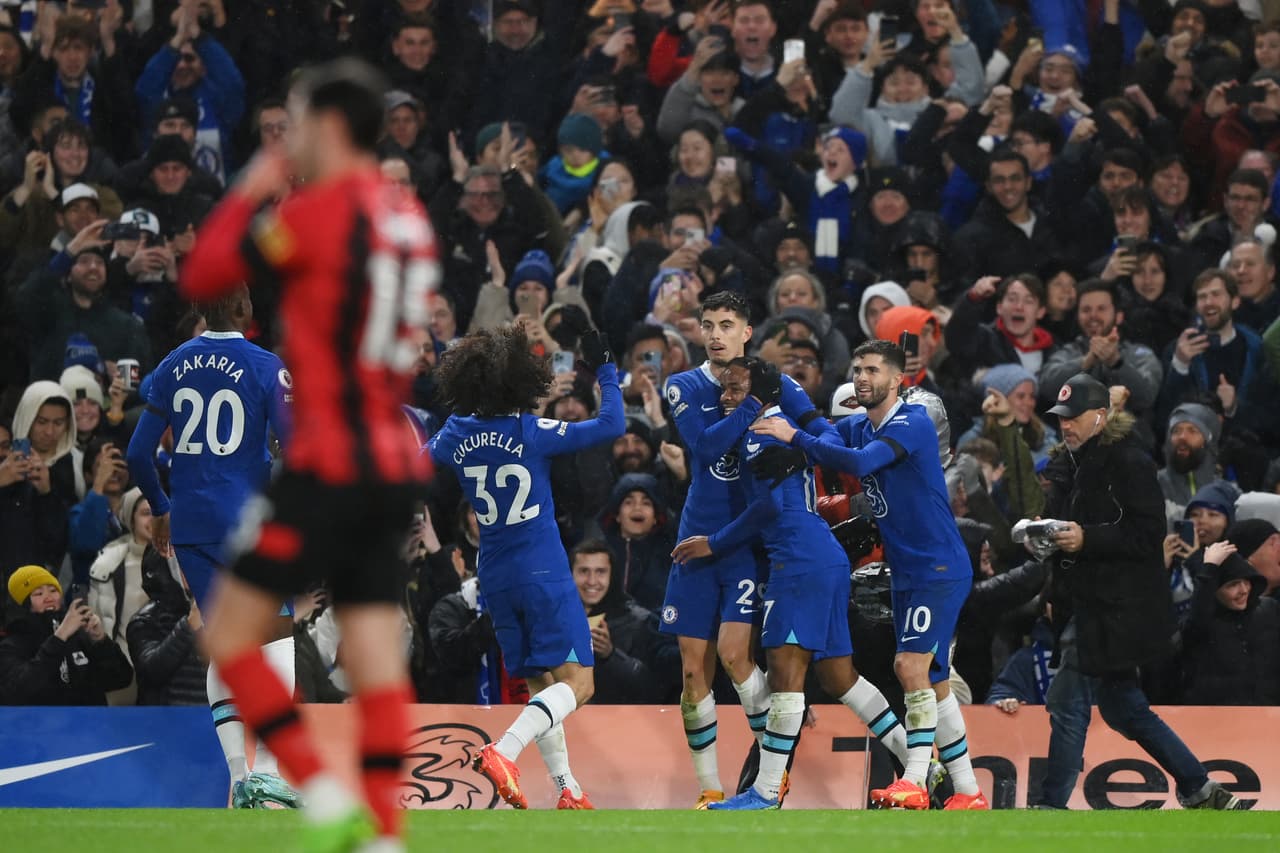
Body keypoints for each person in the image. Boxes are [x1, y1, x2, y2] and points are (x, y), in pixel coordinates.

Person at [176, 58, 439, 850]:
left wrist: (257, 182)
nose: (288, 139)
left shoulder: (322, 210)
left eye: (295, 124)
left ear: (327, 127)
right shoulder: (408, 218)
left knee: (226, 636)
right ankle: (384, 834)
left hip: (330, 454)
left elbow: (207, 273)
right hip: (394, 457)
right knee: (372, 653)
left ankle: (319, 793)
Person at [751, 340, 988, 810]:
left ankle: (916, 781)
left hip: (937, 567)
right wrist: (787, 392)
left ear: (897, 379)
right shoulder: (861, 424)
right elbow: (829, 437)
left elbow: (856, 463)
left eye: (873, 370)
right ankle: (967, 791)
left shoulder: (911, 422)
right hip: (909, 570)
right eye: (857, 369)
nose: (862, 377)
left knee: (909, 667)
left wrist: (792, 436)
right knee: (934, 679)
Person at [672, 356, 910, 810]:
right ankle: (921, 765)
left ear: (761, 396)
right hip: (825, 559)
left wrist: (715, 543)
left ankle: (764, 792)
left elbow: (769, 510)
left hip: (797, 563)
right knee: (840, 677)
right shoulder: (781, 426)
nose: (726, 397)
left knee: (785, 676)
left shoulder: (760, 435)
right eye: (723, 388)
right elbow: (825, 440)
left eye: (736, 389)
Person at [429, 323, 624, 810]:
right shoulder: (530, 430)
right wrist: (606, 371)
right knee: (580, 683)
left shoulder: (454, 434)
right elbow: (610, 427)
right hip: (542, 572)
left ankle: (567, 790)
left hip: (493, 576)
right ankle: (503, 750)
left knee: (542, 682)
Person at [1035, 372, 1241, 810]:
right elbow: (1061, 502)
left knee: (1068, 703)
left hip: (1117, 609)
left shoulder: (1128, 461)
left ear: (1101, 416)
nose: (1065, 425)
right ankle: (1199, 788)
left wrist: (1087, 539)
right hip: (1089, 603)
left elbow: (1147, 534)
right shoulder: (1077, 461)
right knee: (1124, 708)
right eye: (1060, 418)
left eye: (1074, 416)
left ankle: (1051, 808)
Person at [659, 290, 832, 809]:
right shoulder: (682, 385)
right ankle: (710, 789)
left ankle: (769, 774)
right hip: (695, 539)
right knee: (693, 671)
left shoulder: (779, 384)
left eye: (726, 324)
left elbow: (820, 428)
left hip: (743, 543)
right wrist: (758, 403)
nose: (715, 334)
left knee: (736, 657)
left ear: (747, 331)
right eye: (707, 324)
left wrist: (799, 438)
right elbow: (706, 446)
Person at [126, 283, 296, 809]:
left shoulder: (172, 364)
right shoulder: (268, 367)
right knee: (278, 641)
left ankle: (240, 777)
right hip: (247, 522)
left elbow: (137, 454)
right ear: (246, 309)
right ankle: (267, 772)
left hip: (193, 525)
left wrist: (160, 508)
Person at [0, 564, 133, 706]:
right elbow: (20, 691)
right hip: (40, 726)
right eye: (38, 594)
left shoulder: (80, 634)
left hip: (90, 724)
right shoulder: (11, 645)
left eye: (53, 590)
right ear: (24, 605)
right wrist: (59, 637)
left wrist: (101, 640)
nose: (49, 598)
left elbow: (121, 679)